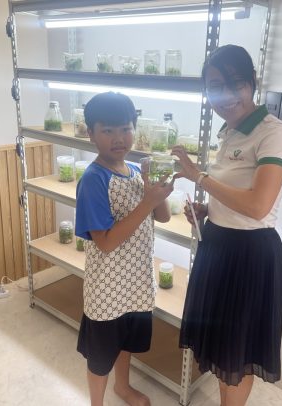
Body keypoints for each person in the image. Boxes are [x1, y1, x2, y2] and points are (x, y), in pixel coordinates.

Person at [171, 45, 282, 406]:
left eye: (234, 84)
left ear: (252, 82)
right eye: (214, 87)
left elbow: (258, 206)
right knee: (222, 349)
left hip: (249, 255)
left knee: (237, 354)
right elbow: (235, 196)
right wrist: (208, 210)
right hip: (218, 246)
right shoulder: (228, 132)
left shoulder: (273, 132)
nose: (225, 96)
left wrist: (199, 177)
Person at [75, 91, 173, 406]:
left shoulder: (134, 171)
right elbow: (104, 242)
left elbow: (163, 216)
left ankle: (123, 386)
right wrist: (147, 201)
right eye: (108, 130)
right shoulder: (93, 179)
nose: (119, 138)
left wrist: (158, 191)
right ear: (91, 134)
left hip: (137, 281)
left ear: (134, 129)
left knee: (127, 341)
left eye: (126, 128)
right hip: (106, 288)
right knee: (100, 355)